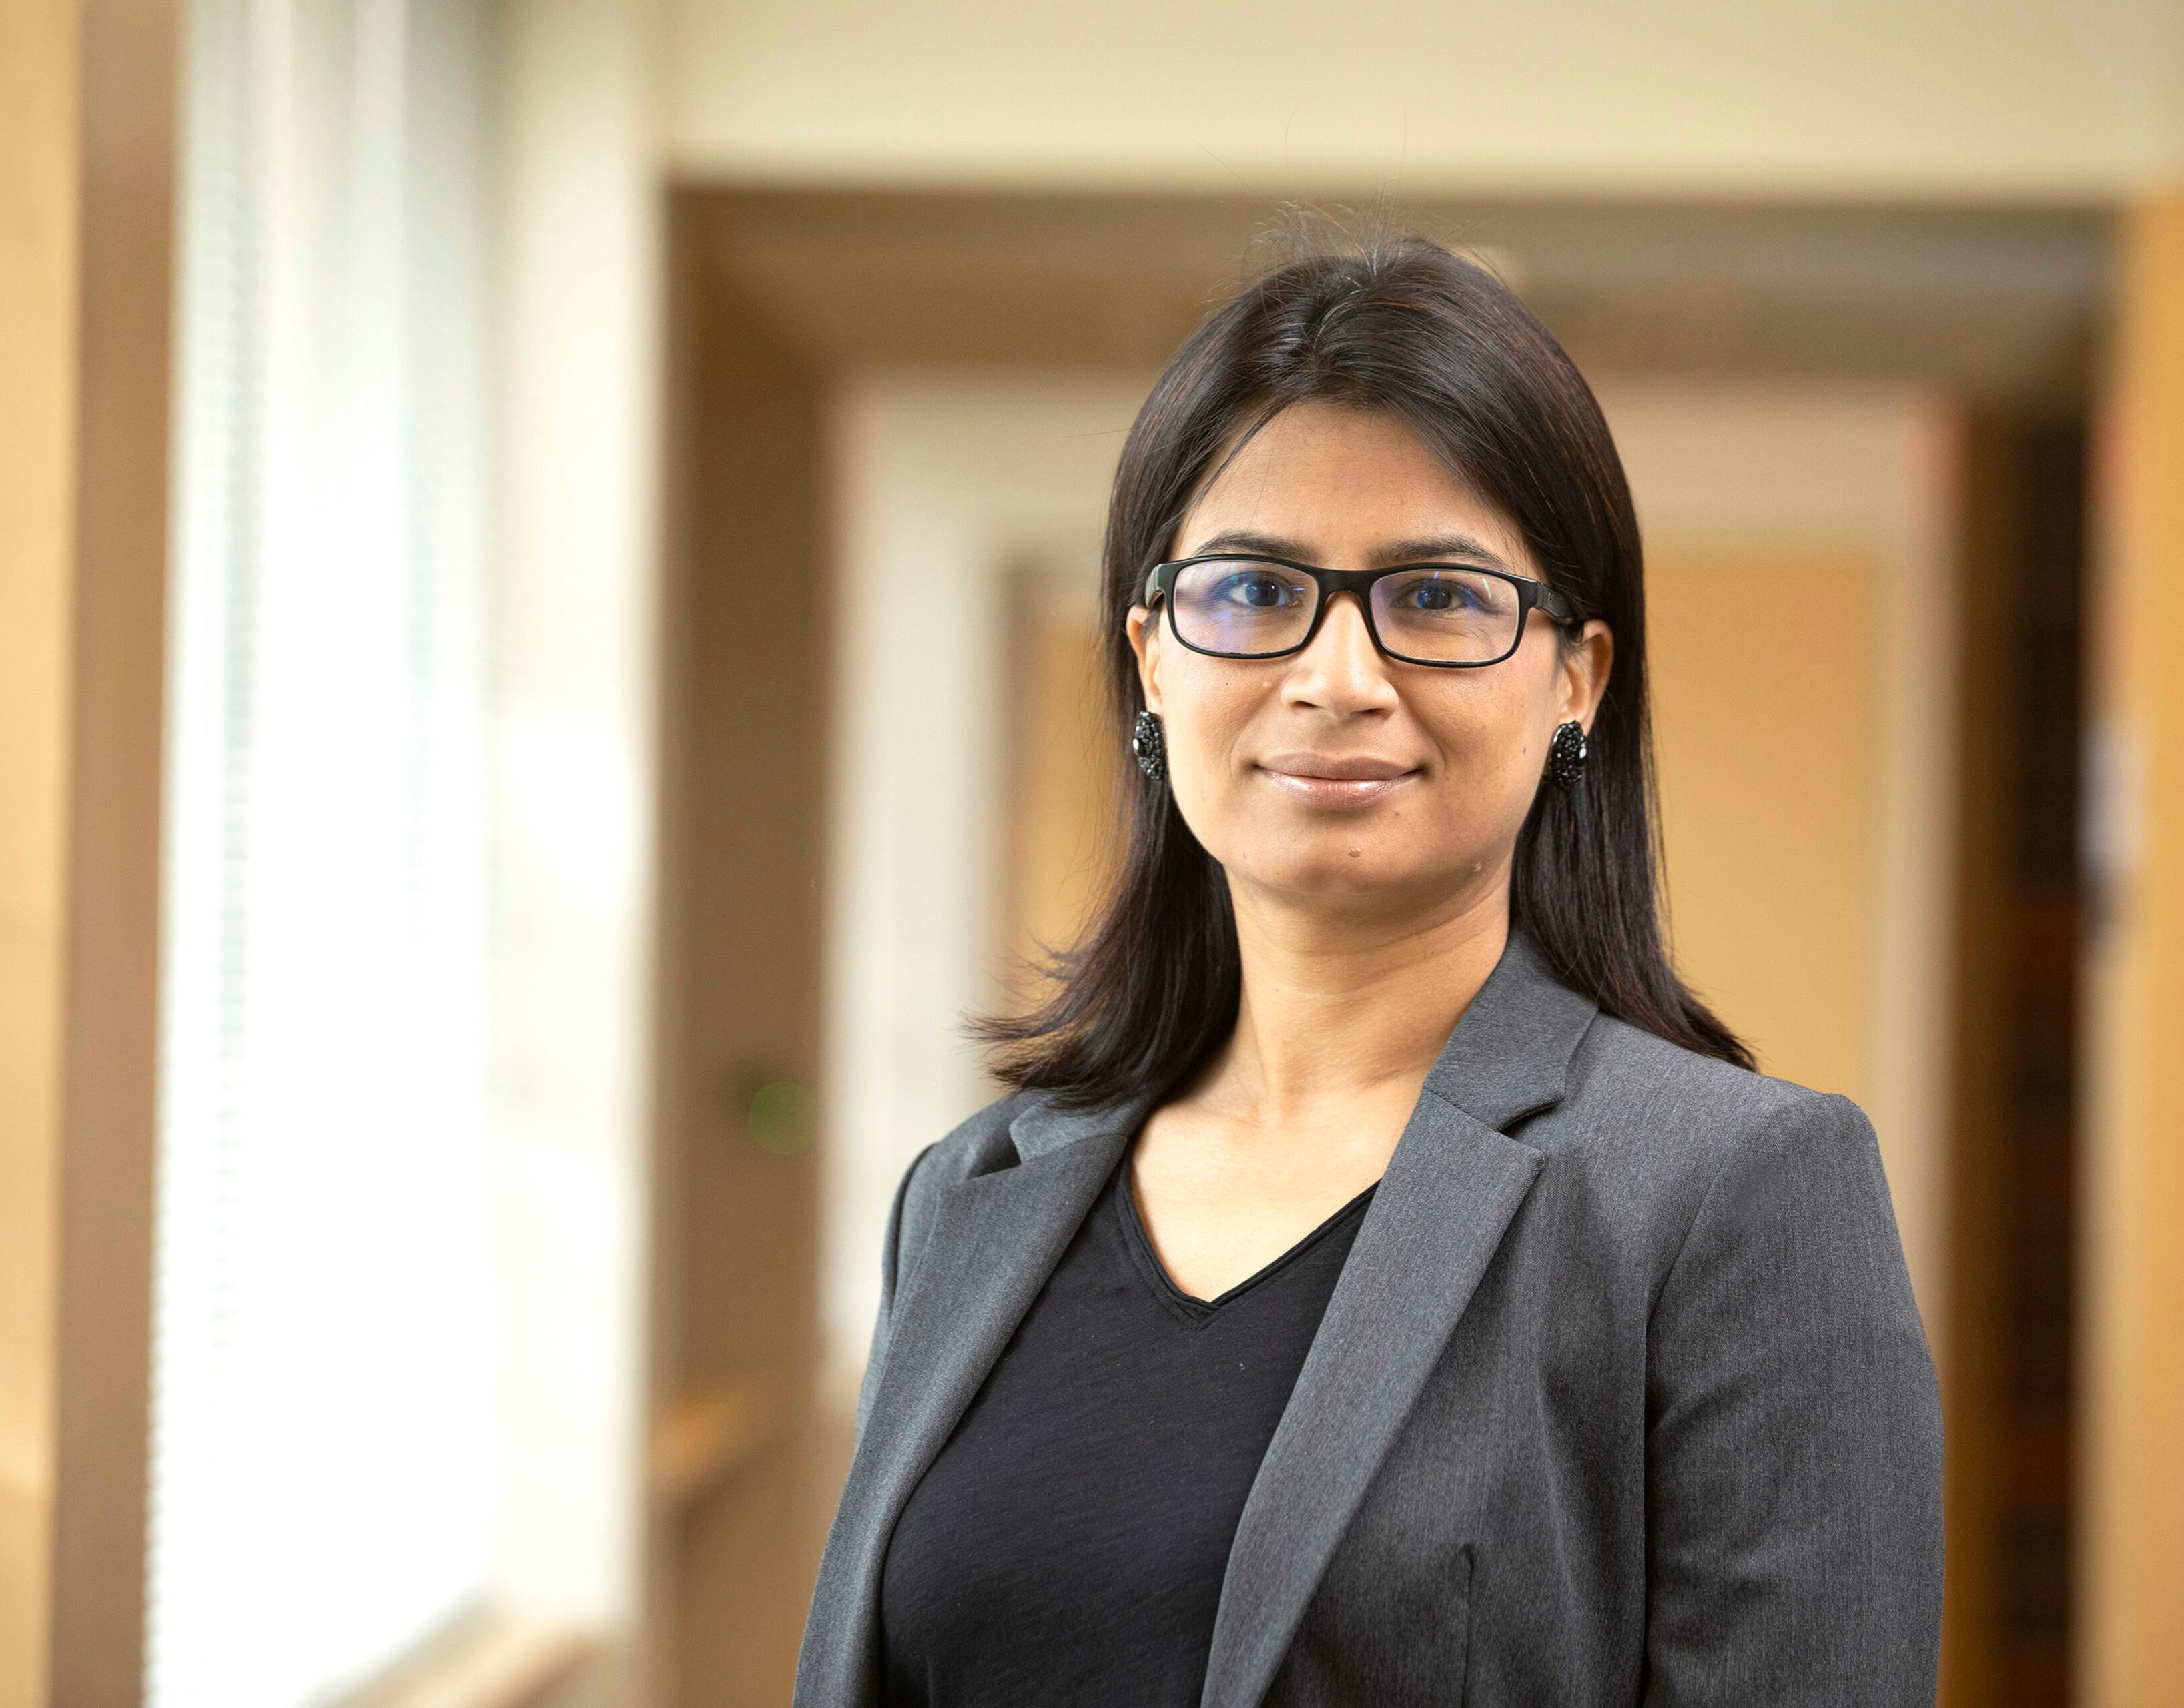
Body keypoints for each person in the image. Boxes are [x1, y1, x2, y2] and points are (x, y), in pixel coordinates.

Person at [796, 232, 1942, 1708]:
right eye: (1252, 590)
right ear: (1152, 659)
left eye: (1439, 598)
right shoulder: (969, 1193)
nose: (1337, 678)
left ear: (1577, 677)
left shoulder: (1732, 1197)